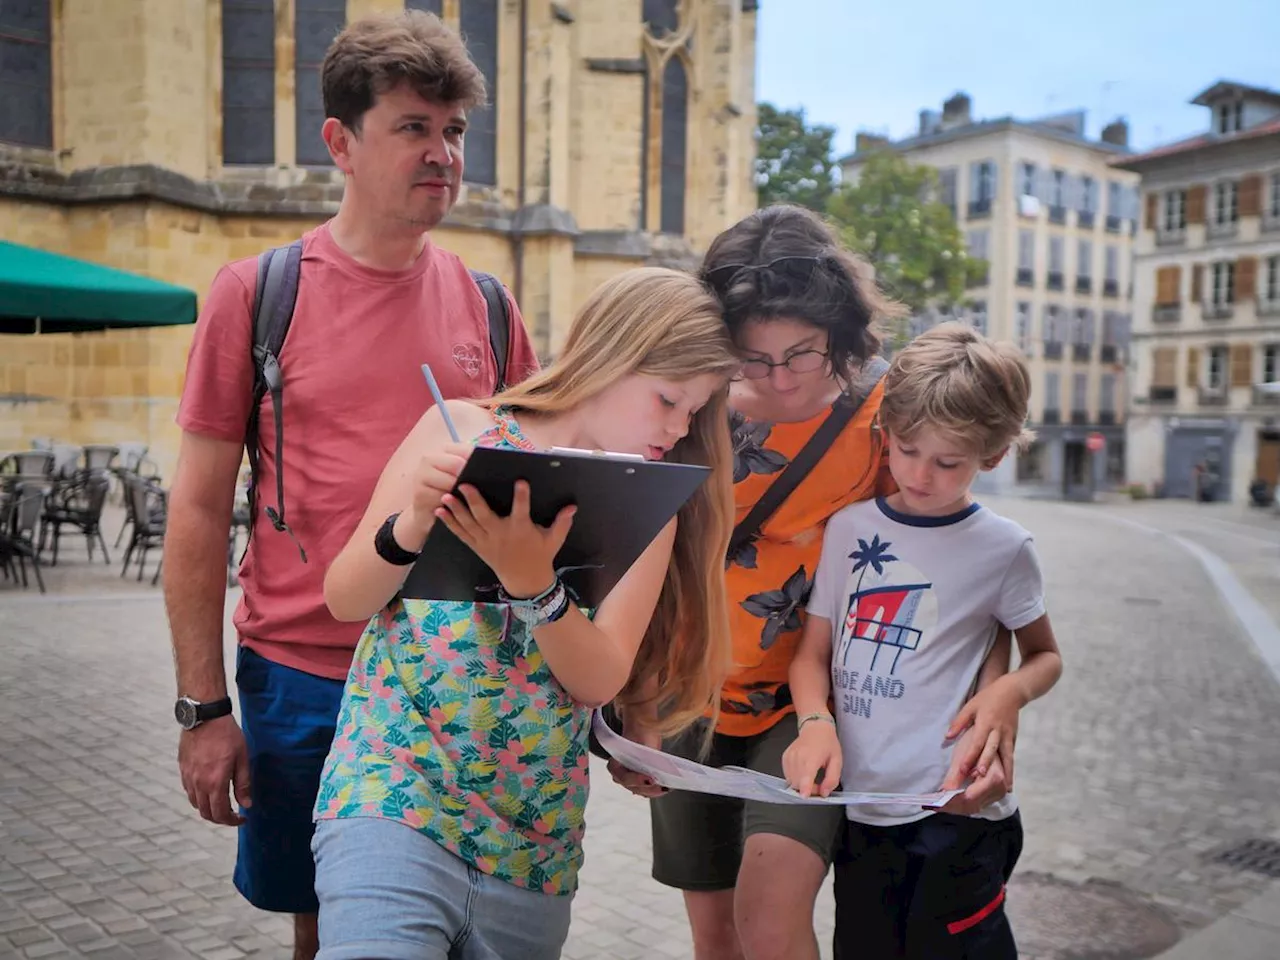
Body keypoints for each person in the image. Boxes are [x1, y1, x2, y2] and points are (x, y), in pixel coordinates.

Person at [163, 12, 539, 960]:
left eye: (454, 131)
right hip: (307, 673)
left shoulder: (491, 308)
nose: (443, 154)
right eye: (414, 127)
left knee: (476, 928)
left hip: (461, 683)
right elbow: (200, 510)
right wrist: (205, 710)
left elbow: (543, 504)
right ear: (340, 140)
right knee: (329, 931)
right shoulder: (257, 293)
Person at [311, 266, 739, 960]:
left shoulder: (646, 502)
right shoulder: (455, 427)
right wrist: (414, 522)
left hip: (531, 842)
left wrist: (533, 585)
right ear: (612, 355)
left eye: (695, 412)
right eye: (668, 400)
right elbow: (344, 599)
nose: (678, 427)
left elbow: (598, 677)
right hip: (392, 792)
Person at [782, 322, 1064, 959]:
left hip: (955, 812)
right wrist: (813, 722)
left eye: (948, 462)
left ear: (991, 457)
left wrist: (1008, 696)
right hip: (861, 810)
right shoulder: (850, 528)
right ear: (885, 431)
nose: (920, 474)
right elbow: (812, 655)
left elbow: (1046, 656)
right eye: (906, 449)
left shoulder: (1005, 548)